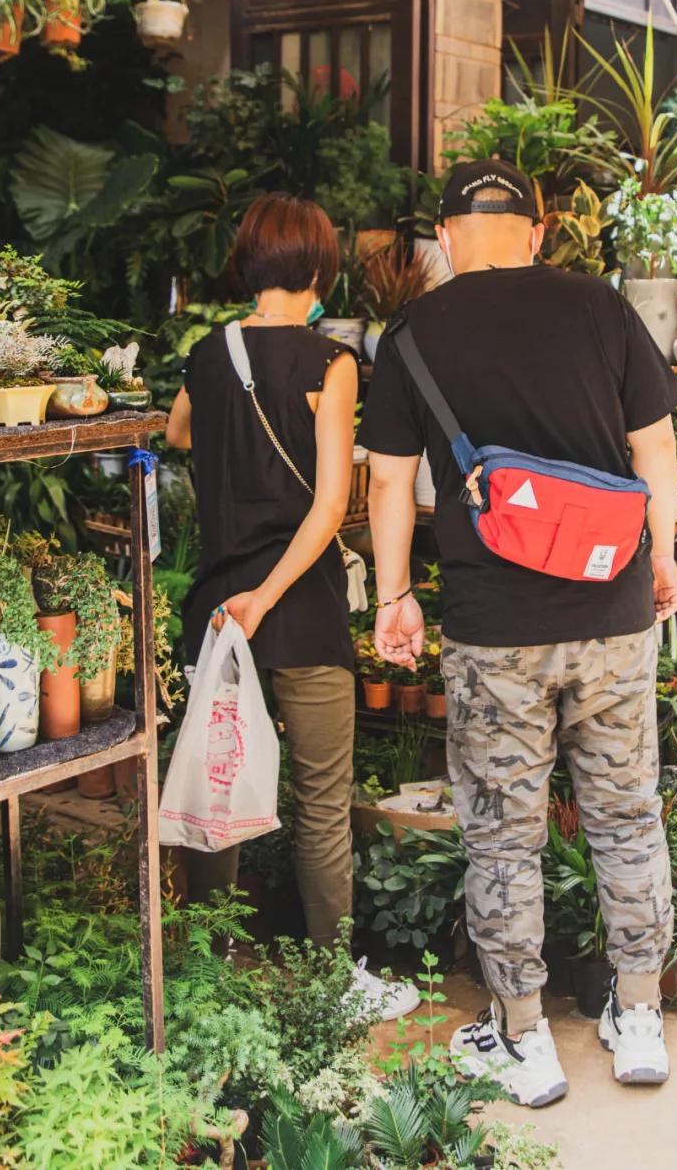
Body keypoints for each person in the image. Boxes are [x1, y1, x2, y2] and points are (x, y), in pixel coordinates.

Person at [359, 159, 677, 1104]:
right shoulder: (602, 307)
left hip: (494, 633)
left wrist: (393, 595)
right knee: (627, 817)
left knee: (503, 839)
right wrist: (663, 553)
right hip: (613, 613)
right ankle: (639, 1020)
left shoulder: (413, 334)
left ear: (444, 239)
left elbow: (389, 480)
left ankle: (523, 1038)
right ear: (537, 232)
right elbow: (656, 445)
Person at [167, 192, 418, 1021]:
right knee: (321, 803)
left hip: (218, 613)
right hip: (300, 609)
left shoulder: (208, 353)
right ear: (317, 269)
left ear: (248, 264)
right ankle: (331, 981)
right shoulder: (329, 364)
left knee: (217, 791)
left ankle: (205, 978)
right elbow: (329, 504)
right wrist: (268, 597)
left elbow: (176, 433)